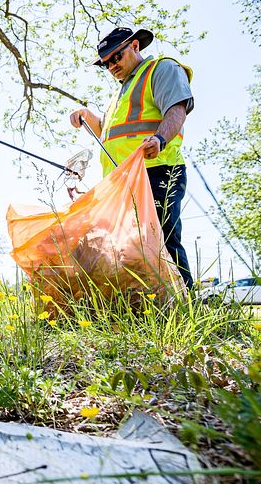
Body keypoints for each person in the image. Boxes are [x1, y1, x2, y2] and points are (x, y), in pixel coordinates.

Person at [70, 26, 194, 288]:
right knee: (128, 245)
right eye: (106, 64)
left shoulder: (161, 69)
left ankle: (186, 301)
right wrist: (86, 116)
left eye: (117, 57)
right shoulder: (119, 93)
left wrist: (160, 139)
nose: (112, 65)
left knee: (161, 238)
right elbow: (108, 131)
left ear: (135, 46)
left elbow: (177, 107)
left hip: (158, 170)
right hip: (123, 181)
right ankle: (146, 304)